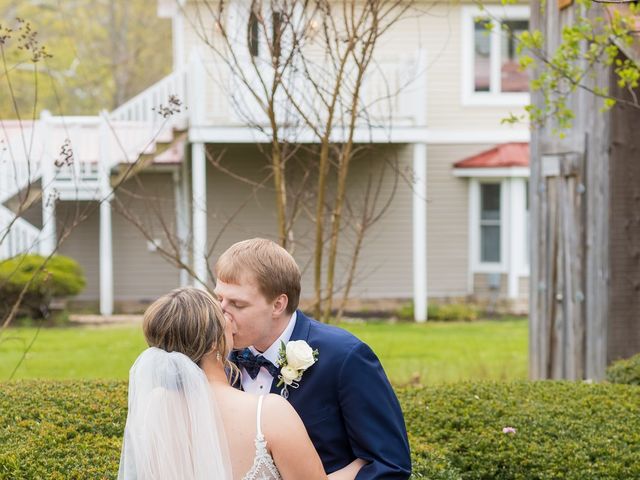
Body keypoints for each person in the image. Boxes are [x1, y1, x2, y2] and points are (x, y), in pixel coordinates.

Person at [214, 238, 412, 479]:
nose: (222, 315)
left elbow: (390, 465)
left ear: (277, 304)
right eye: (219, 300)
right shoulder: (217, 361)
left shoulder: (345, 358)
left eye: (237, 304)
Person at [118, 287, 364, 480]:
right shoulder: (268, 413)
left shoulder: (152, 408)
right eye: (222, 313)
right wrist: (362, 463)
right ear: (214, 343)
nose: (229, 317)